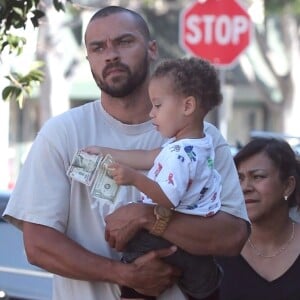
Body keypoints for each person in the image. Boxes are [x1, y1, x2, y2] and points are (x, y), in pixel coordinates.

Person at [3, 6, 249, 300]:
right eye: (98, 48)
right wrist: (123, 274)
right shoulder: (62, 134)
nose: (111, 55)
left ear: (152, 49)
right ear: (89, 59)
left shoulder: (202, 139)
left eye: (124, 42)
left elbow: (233, 236)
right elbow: (38, 246)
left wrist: (149, 217)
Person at [86, 57, 223, 300]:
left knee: (133, 256)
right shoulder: (195, 145)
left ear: (187, 106)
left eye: (157, 106)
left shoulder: (182, 154)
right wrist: (106, 152)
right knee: (199, 280)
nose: (151, 114)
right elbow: (149, 157)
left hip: (172, 235)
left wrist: (133, 179)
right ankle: (205, 281)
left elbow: (168, 199)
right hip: (191, 233)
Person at [217, 137, 300, 300]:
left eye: (258, 177)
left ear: (288, 186)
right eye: (239, 178)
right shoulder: (219, 247)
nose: (245, 187)